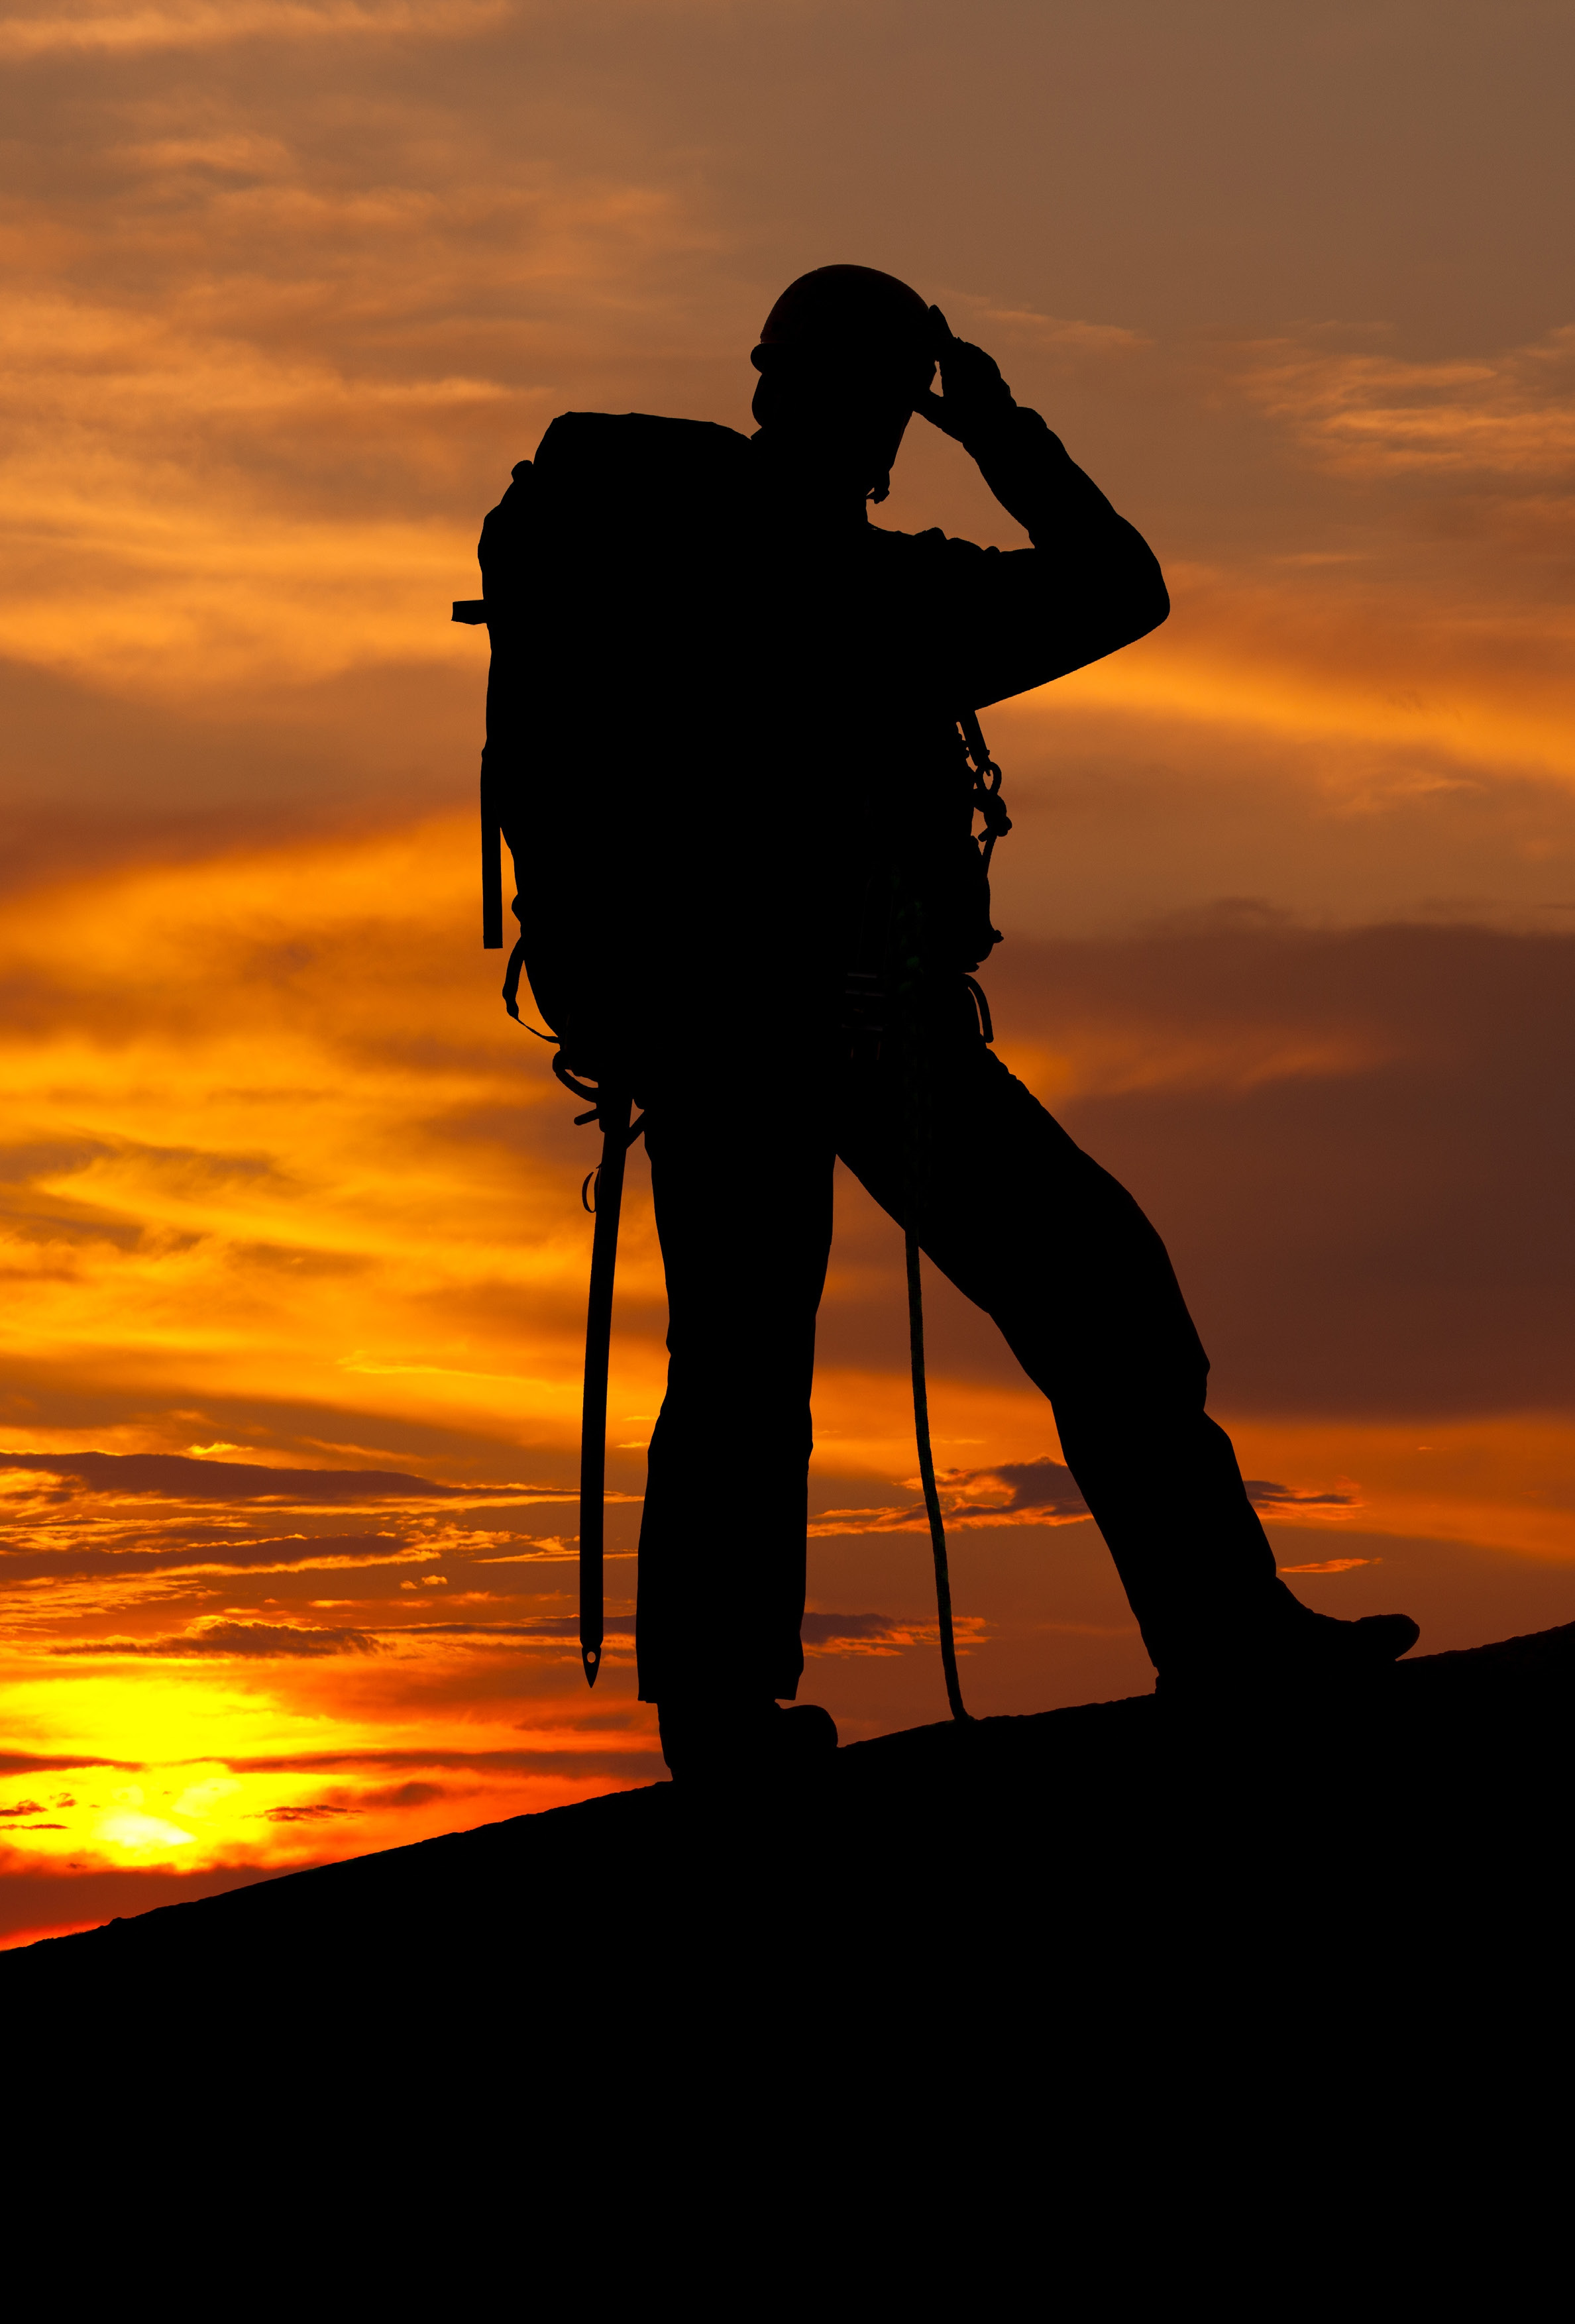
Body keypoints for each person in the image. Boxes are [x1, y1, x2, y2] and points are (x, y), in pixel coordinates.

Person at [480, 264, 1419, 1779]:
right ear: (883, 416)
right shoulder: (877, 594)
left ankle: (723, 1718)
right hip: (845, 1031)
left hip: (722, 1035)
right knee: (1081, 1287)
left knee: (751, 1353)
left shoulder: (682, 561)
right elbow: (1120, 583)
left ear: (765, 382)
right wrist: (1000, 428)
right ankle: (1218, 1639)